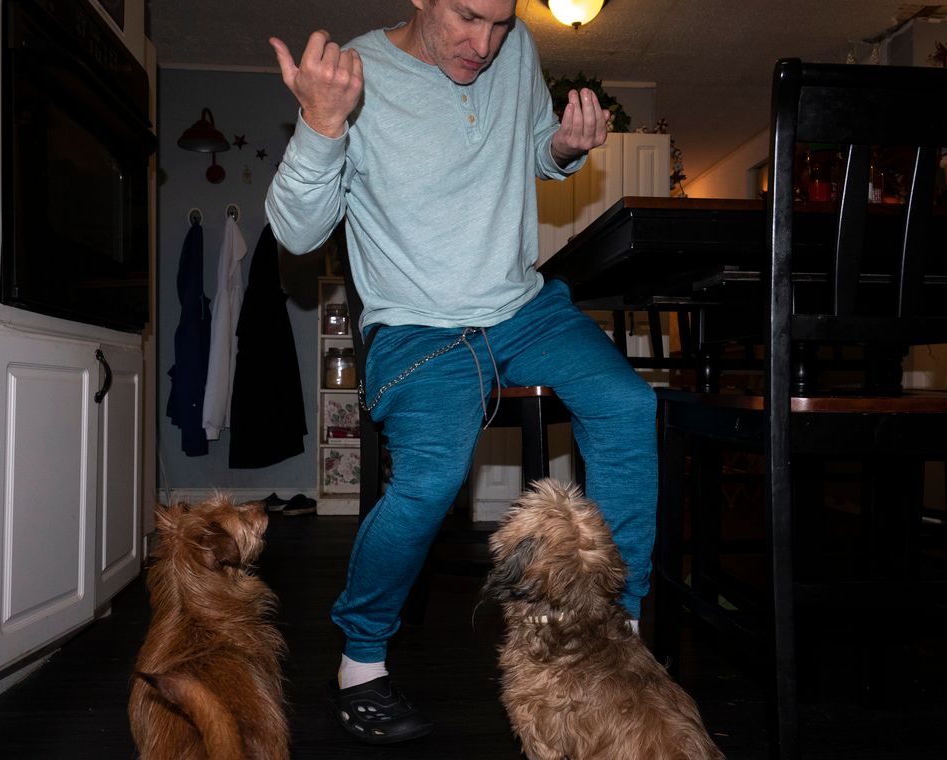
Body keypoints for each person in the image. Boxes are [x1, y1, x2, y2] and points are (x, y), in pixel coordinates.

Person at [265, 0, 657, 745]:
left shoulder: (517, 50)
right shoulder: (354, 72)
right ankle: (359, 662)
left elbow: (534, 152)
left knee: (629, 406)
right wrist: (321, 125)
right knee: (433, 475)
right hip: (416, 323)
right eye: (469, 18)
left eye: (503, 21)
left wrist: (565, 147)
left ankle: (620, 629)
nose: (485, 44)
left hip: (521, 307)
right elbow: (296, 230)